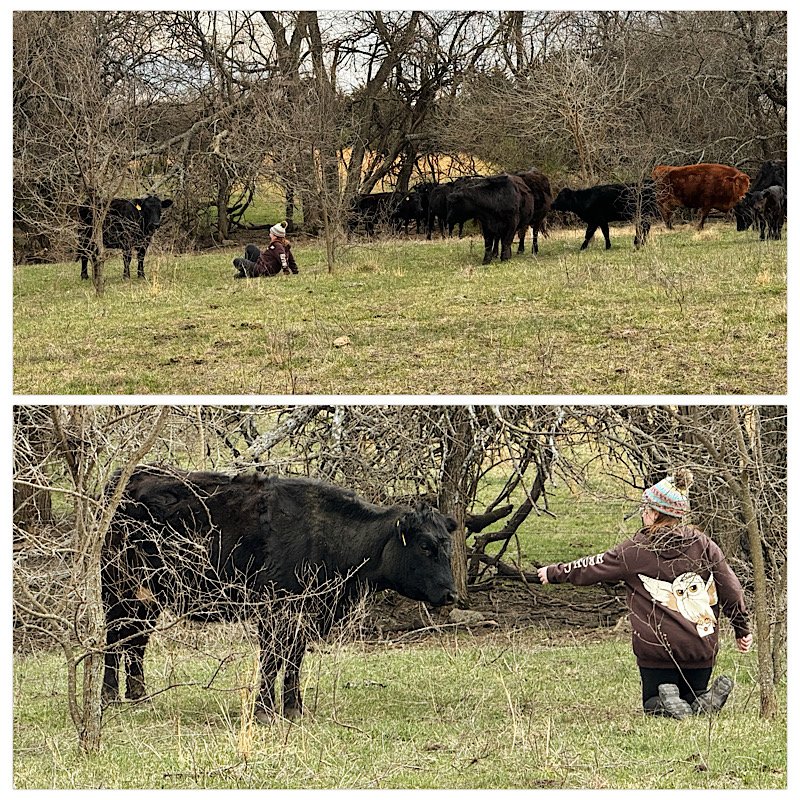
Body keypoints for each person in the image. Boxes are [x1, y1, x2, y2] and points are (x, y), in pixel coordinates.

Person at [536, 468, 752, 720]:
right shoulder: (702, 544)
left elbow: (593, 566)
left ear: (654, 514)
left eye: (646, 510)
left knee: (651, 703)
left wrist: (554, 572)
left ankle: (663, 700)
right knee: (693, 698)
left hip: (657, 650)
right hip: (699, 648)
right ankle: (701, 700)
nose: (643, 514)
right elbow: (731, 588)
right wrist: (742, 628)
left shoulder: (636, 550)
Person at [232, 221, 298, 278]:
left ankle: (247, 273)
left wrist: (285, 270)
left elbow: (282, 257)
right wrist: (295, 271)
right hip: (262, 262)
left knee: (237, 261)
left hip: (263, 270)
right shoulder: (284, 245)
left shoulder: (277, 246)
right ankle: (248, 272)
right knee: (250, 247)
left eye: (271, 233)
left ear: (275, 236)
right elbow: (291, 260)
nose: (269, 235)